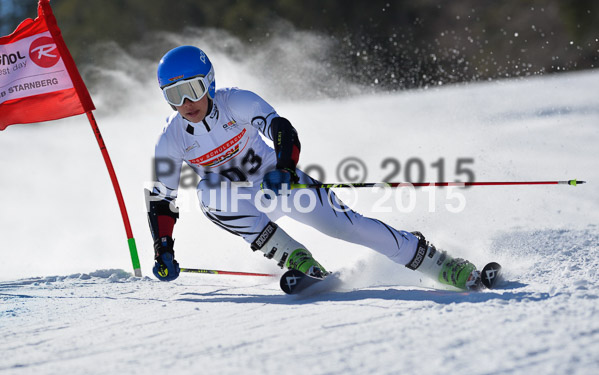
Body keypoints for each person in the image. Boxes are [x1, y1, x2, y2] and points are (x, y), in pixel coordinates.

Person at [146, 45, 483, 291]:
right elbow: (162, 198)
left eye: (192, 90)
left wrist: (285, 169)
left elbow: (281, 130)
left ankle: (438, 262)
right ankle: (298, 260)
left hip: (278, 183)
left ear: (210, 83)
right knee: (208, 194)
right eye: (174, 95)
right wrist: (163, 249)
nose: (185, 104)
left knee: (348, 227)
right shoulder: (171, 138)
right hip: (240, 203)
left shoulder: (237, 101)